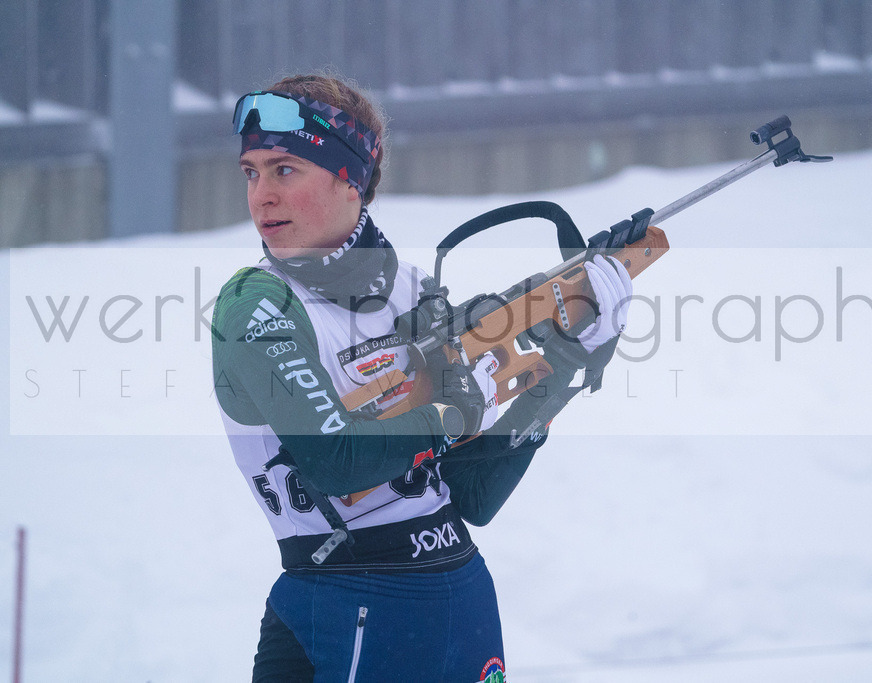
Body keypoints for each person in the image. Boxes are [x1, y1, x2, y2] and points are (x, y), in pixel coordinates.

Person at [211, 72, 632, 682]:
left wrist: (566, 361)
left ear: (348, 178)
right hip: (347, 603)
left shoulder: (411, 290)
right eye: (251, 172)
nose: (260, 196)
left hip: (460, 601)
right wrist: (451, 412)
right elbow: (335, 462)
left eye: (284, 170)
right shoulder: (258, 304)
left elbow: (473, 496)